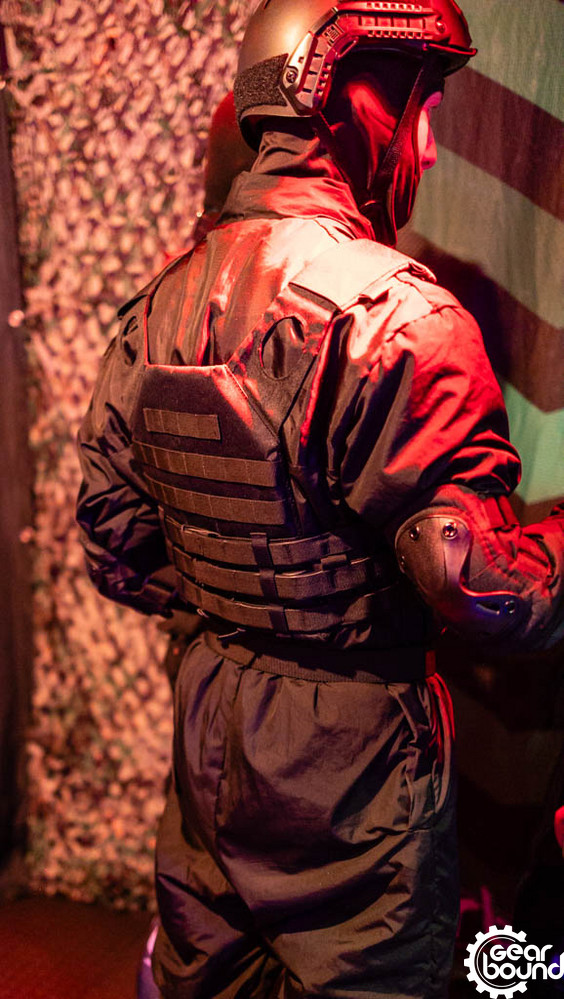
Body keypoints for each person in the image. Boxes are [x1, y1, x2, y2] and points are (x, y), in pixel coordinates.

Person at [76, 2, 564, 996]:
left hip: (211, 720)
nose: (428, 149)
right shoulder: (402, 318)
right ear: (357, 104)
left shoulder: (155, 308)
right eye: (421, 113)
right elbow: (482, 588)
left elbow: (115, 548)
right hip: (354, 762)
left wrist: (246, 599)